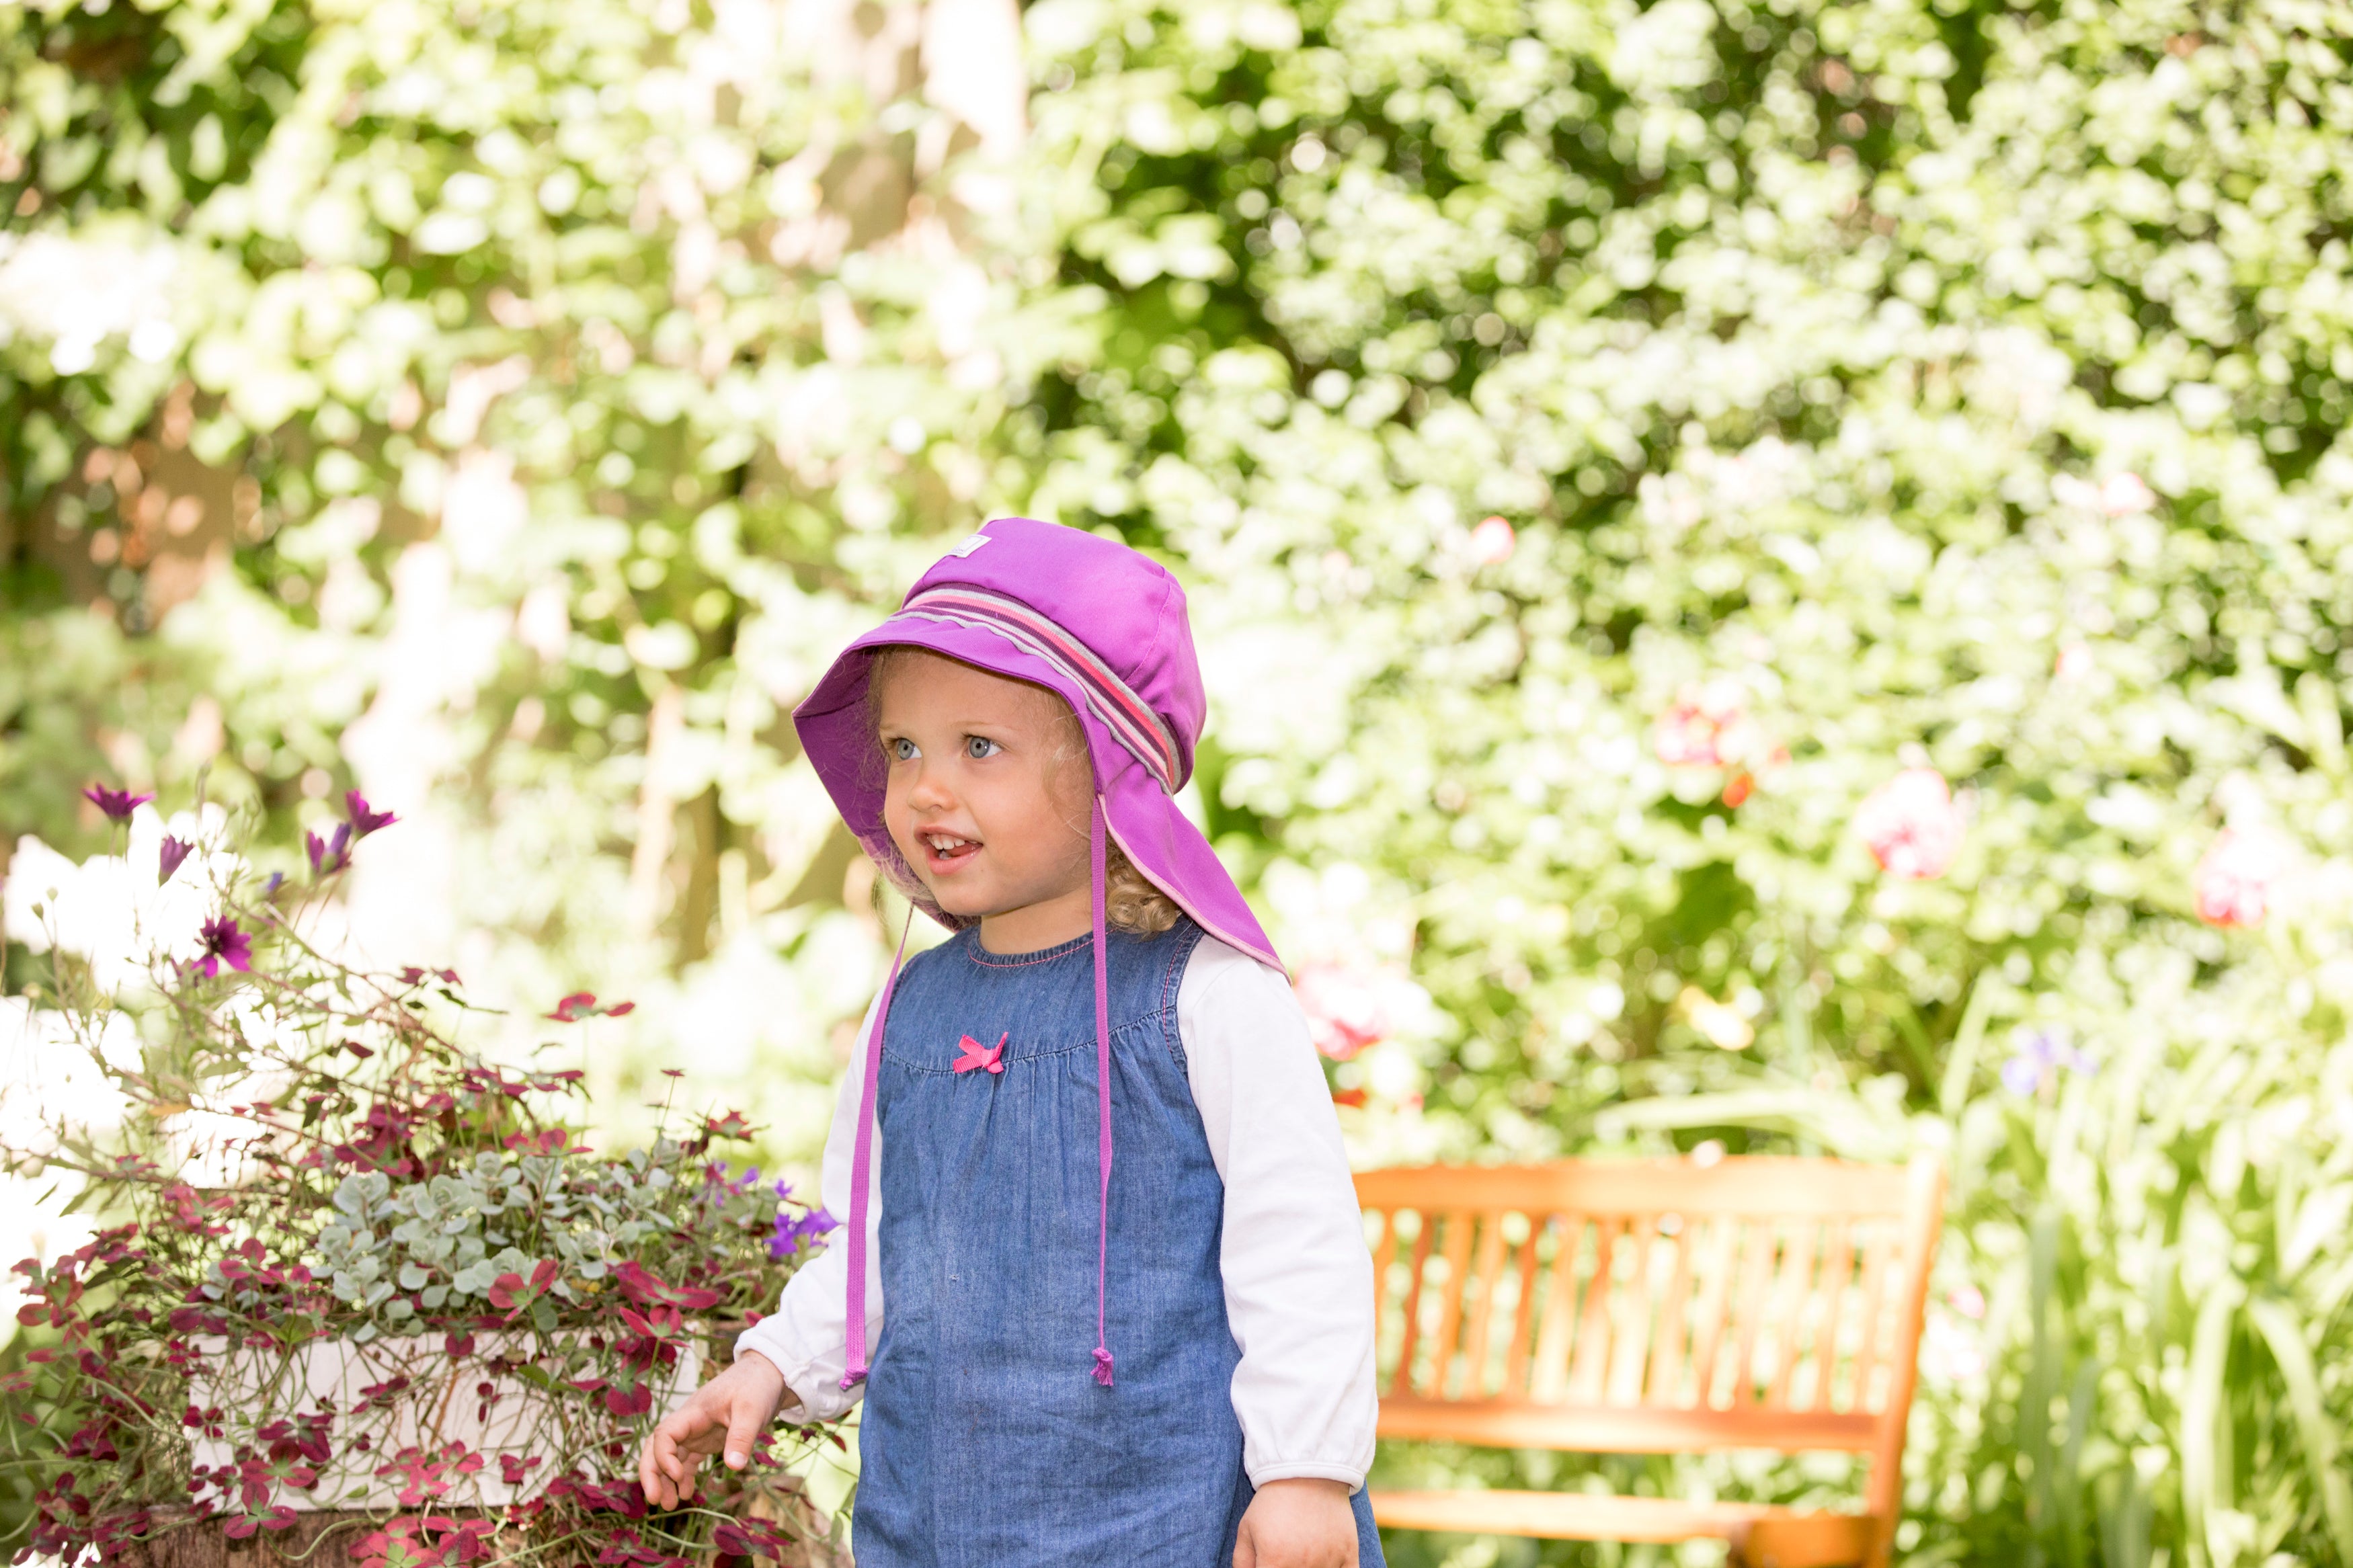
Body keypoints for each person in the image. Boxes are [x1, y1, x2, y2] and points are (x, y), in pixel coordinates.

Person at [638, 518, 1382, 1567]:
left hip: (1164, 1526)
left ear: (1106, 774)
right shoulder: (909, 1011)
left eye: (978, 747)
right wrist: (770, 1365)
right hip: (934, 1524)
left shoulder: (1208, 994)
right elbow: (872, 1243)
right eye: (904, 749)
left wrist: (1306, 1473)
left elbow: (1299, 1245)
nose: (927, 788)